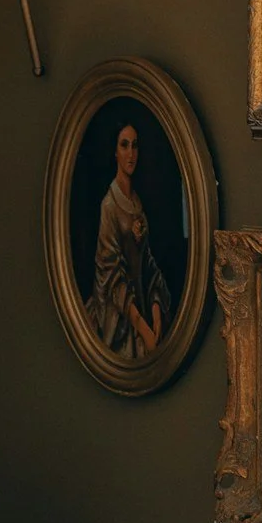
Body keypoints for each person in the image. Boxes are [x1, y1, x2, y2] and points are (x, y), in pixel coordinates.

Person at [85, 119, 170, 362]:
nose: (131, 154)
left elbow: (147, 263)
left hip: (141, 305)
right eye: (124, 146)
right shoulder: (109, 206)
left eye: (134, 146)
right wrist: (142, 329)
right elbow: (111, 276)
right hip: (120, 316)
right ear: (115, 152)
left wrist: (155, 312)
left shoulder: (136, 203)